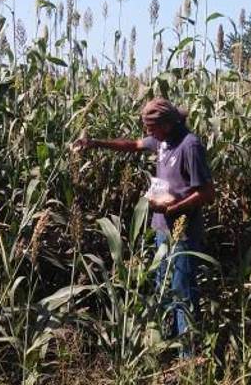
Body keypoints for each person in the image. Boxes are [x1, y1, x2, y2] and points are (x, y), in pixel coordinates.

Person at [74, 97, 214, 354]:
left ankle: (188, 356)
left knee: (182, 290)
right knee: (163, 288)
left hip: (182, 232)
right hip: (161, 229)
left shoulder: (189, 145)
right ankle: (168, 344)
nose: (148, 134)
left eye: (152, 128)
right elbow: (133, 145)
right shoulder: (162, 140)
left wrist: (172, 208)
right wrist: (95, 143)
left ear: (168, 124)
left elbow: (206, 193)